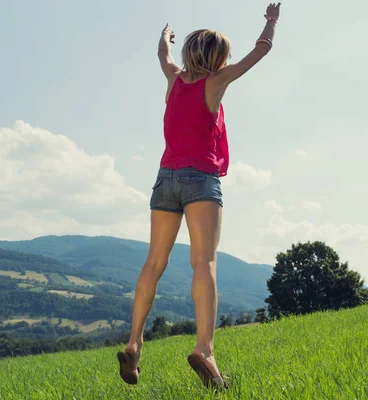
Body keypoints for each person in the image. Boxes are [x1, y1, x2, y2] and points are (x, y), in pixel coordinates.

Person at [117, 2, 281, 390]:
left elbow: (162, 53)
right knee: (203, 261)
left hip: (165, 179)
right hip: (199, 178)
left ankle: (134, 343)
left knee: (153, 262)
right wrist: (271, 20)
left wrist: (166, 36)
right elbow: (261, 50)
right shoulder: (215, 82)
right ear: (218, 58)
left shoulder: (174, 79)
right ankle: (205, 349)